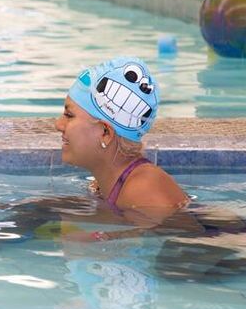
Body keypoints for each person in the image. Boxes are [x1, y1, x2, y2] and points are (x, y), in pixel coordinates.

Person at [55, 56, 189, 232]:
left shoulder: (144, 190)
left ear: (105, 133)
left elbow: (191, 248)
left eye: (69, 115)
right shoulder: (106, 183)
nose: (58, 125)